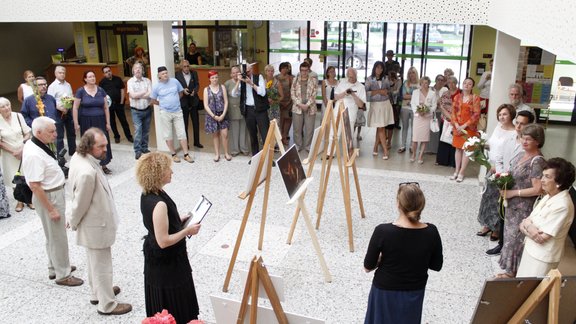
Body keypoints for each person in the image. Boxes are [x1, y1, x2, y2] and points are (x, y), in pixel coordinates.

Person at [68, 128, 132, 315]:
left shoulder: (79, 158)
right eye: (101, 146)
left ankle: (98, 293)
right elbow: (80, 203)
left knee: (94, 262)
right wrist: (73, 221)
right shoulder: (87, 172)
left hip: (93, 225)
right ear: (88, 147)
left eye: (106, 144)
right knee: (102, 266)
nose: (105, 149)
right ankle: (107, 304)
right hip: (95, 226)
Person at [363, 182, 443, 324]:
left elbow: (367, 267)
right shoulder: (431, 231)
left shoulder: (383, 231)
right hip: (414, 291)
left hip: (384, 291)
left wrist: (381, 259)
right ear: (421, 206)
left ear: (398, 204)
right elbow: (436, 265)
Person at [136, 152, 201, 323]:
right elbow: (163, 241)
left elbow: (158, 224)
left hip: (157, 262)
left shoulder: (149, 194)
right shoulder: (159, 204)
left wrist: (179, 220)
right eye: (168, 169)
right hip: (167, 265)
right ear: (158, 173)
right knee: (175, 303)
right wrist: (187, 231)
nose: (171, 172)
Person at [22, 116, 83, 286]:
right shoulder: (34, 154)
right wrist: (51, 209)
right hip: (49, 196)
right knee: (58, 236)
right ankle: (63, 274)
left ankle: (54, 266)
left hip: (51, 193)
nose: (56, 134)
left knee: (52, 235)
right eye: (51, 131)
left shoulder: (34, 143)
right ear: (38, 132)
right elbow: (35, 185)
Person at [496, 124, 546, 278]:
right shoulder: (520, 155)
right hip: (512, 204)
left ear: (537, 141)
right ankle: (510, 269)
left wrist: (513, 193)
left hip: (523, 207)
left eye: (529, 139)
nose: (524, 142)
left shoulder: (537, 161)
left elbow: (538, 189)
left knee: (516, 239)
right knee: (509, 236)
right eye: (523, 138)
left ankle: (513, 272)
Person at [486, 110, 534, 256]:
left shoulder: (529, 144)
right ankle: (501, 244)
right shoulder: (510, 138)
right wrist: (501, 175)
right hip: (504, 180)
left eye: (522, 124)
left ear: (530, 125)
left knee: (512, 219)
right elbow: (500, 157)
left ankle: (510, 249)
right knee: (502, 214)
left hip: (518, 186)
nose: (518, 127)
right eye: (517, 123)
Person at [517, 158, 575, 277]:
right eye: (542, 176)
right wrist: (530, 226)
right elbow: (529, 220)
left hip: (542, 257)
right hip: (531, 249)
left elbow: (541, 237)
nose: (542, 180)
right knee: (521, 284)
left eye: (547, 177)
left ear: (559, 182)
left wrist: (526, 225)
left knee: (533, 291)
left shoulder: (562, 205)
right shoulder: (549, 196)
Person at [476, 104, 517, 240]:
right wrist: (478, 146)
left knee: (497, 199)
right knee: (487, 197)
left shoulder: (515, 133)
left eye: (504, 114)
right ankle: (487, 224)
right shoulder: (498, 128)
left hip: (503, 170)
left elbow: (510, 153)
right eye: (500, 114)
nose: (502, 117)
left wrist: (499, 168)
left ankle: (496, 228)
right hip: (491, 167)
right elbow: (491, 145)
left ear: (511, 114)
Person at [72, 70, 114, 174]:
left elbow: (106, 107)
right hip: (86, 120)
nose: (92, 78)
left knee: (102, 141)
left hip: (100, 120)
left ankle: (103, 164)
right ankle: (89, 164)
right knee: (89, 142)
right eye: (90, 77)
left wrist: (108, 123)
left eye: (93, 76)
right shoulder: (81, 91)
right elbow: (75, 108)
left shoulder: (101, 90)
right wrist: (76, 122)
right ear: (85, 79)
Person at [150, 66, 194, 163]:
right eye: (163, 74)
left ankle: (186, 154)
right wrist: (162, 104)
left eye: (166, 73)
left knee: (182, 133)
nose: (165, 75)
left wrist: (174, 101)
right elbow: (152, 100)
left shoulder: (174, 81)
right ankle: (173, 154)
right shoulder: (156, 86)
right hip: (165, 113)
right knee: (168, 134)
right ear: (159, 76)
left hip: (177, 111)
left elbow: (181, 93)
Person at [0, 97, 32, 212]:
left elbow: (27, 133)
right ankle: (19, 200)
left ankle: (29, 199)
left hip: (23, 149)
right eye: (3, 106)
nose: (7, 108)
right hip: (9, 154)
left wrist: (22, 147)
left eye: (8, 105)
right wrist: (13, 151)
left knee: (26, 174)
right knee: (15, 177)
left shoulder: (18, 116)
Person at [231, 63, 270, 156]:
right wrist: (238, 81)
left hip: (260, 110)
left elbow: (262, 92)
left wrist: (251, 83)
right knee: (252, 136)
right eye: (244, 72)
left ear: (251, 70)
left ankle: (268, 158)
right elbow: (233, 94)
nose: (247, 73)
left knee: (265, 135)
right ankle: (255, 157)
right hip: (249, 111)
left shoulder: (258, 77)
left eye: (248, 71)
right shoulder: (241, 81)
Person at [450, 77, 481, 182]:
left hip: (469, 128)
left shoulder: (475, 98)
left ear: (472, 86)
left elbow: (476, 115)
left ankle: (462, 172)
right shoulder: (457, 97)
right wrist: (456, 124)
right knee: (458, 149)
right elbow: (453, 112)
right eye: (465, 83)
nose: (466, 85)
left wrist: (464, 125)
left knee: (466, 149)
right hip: (457, 126)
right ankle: (456, 171)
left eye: (469, 84)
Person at [365, 61, 393, 159]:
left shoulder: (386, 78)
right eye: (377, 68)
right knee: (381, 127)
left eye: (381, 68)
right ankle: (385, 151)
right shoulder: (369, 79)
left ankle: (375, 147)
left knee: (380, 126)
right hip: (375, 106)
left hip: (385, 105)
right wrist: (379, 91)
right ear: (374, 68)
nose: (379, 70)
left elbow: (389, 91)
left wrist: (386, 92)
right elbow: (367, 94)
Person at [99, 66, 133, 144]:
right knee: (112, 122)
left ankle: (129, 136)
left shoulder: (118, 79)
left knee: (124, 121)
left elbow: (122, 90)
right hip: (109, 106)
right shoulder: (102, 82)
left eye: (109, 71)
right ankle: (116, 136)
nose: (108, 73)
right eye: (106, 72)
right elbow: (102, 94)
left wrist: (121, 102)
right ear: (103, 74)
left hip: (119, 104)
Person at [334, 67, 367, 148]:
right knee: (334, 132)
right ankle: (330, 152)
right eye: (349, 76)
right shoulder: (342, 83)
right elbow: (336, 97)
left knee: (349, 134)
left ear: (356, 75)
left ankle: (349, 153)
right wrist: (345, 93)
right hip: (338, 110)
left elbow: (361, 105)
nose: (350, 78)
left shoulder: (361, 87)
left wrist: (353, 94)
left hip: (351, 113)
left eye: (352, 76)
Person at [47, 65, 76, 156]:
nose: (62, 74)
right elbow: (50, 100)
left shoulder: (68, 85)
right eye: (60, 72)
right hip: (58, 112)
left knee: (71, 132)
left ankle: (73, 151)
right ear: (55, 74)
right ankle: (60, 155)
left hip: (68, 110)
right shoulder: (52, 86)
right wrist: (61, 108)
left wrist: (68, 106)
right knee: (59, 135)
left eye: (63, 73)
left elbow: (71, 97)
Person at [203, 70, 231, 162]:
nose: (214, 79)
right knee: (215, 135)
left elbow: (226, 101)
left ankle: (226, 153)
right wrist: (214, 116)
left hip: (222, 114)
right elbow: (206, 105)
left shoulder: (222, 87)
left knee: (225, 134)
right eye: (212, 78)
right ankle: (217, 154)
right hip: (212, 115)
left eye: (216, 77)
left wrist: (223, 114)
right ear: (209, 79)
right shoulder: (206, 90)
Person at [175, 60, 203, 149]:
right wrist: (183, 90)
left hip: (193, 100)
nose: (187, 68)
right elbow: (175, 86)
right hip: (183, 101)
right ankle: (186, 143)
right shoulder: (177, 75)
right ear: (181, 67)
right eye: (184, 66)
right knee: (185, 123)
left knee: (196, 123)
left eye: (188, 66)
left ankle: (197, 142)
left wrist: (195, 91)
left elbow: (197, 84)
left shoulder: (194, 73)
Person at [127, 63, 153, 160]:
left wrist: (138, 95)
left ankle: (144, 148)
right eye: (136, 68)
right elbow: (132, 96)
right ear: (133, 71)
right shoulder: (130, 82)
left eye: (139, 68)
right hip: (136, 111)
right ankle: (137, 151)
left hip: (147, 110)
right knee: (138, 131)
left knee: (146, 131)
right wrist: (143, 92)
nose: (138, 70)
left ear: (142, 70)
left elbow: (150, 94)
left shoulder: (147, 81)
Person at [291, 62, 318, 153]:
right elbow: (292, 94)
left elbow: (314, 94)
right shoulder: (295, 80)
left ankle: (308, 146)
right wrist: (300, 104)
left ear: (309, 70)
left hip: (310, 108)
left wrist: (307, 105)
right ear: (300, 70)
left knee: (309, 128)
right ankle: (298, 145)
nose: (304, 72)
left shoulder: (313, 80)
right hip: (297, 107)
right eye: (302, 70)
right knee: (297, 128)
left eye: (306, 70)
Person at [410, 76, 437, 164]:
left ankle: (421, 156)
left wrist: (427, 111)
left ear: (429, 83)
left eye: (426, 83)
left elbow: (434, 106)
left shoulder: (432, 93)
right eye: (423, 83)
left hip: (427, 118)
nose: (424, 85)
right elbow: (413, 104)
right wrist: (418, 112)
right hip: (418, 117)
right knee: (415, 138)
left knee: (424, 139)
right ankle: (413, 154)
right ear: (420, 83)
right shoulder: (415, 92)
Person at [224, 66, 250, 156]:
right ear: (231, 74)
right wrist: (239, 81)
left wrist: (241, 80)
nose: (235, 74)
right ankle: (235, 150)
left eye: (237, 72)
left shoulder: (245, 82)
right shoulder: (227, 83)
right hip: (232, 109)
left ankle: (244, 148)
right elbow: (232, 93)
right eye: (234, 73)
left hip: (243, 108)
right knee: (234, 130)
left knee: (244, 129)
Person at [436, 76, 460, 167]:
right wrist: (450, 118)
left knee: (455, 141)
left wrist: (454, 119)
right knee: (444, 139)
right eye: (449, 82)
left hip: (457, 121)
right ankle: (442, 161)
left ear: (456, 83)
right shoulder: (445, 93)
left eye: (453, 82)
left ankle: (453, 162)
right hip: (446, 120)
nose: (451, 84)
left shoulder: (460, 93)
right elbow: (441, 106)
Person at [398, 67, 419, 153]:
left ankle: (412, 146)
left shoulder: (419, 84)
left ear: (416, 74)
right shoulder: (405, 83)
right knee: (405, 127)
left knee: (414, 128)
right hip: (405, 107)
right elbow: (403, 96)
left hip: (415, 109)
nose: (411, 75)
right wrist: (413, 96)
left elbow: (419, 96)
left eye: (413, 73)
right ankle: (403, 145)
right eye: (410, 73)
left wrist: (409, 95)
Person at [427, 74, 447, 154]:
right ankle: (428, 149)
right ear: (435, 80)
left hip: (440, 113)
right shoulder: (430, 89)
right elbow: (429, 100)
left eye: (442, 80)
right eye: (438, 79)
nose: (440, 81)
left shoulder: (445, 89)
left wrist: (438, 101)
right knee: (430, 131)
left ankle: (435, 149)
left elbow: (444, 101)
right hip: (431, 112)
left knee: (437, 131)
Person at [276, 62, 294, 145]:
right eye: (283, 68)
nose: (285, 70)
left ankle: (284, 136)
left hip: (289, 101)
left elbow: (293, 90)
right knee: (280, 120)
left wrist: (290, 101)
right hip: (278, 102)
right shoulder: (276, 77)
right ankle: (279, 136)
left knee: (288, 119)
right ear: (280, 69)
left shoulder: (291, 78)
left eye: (286, 68)